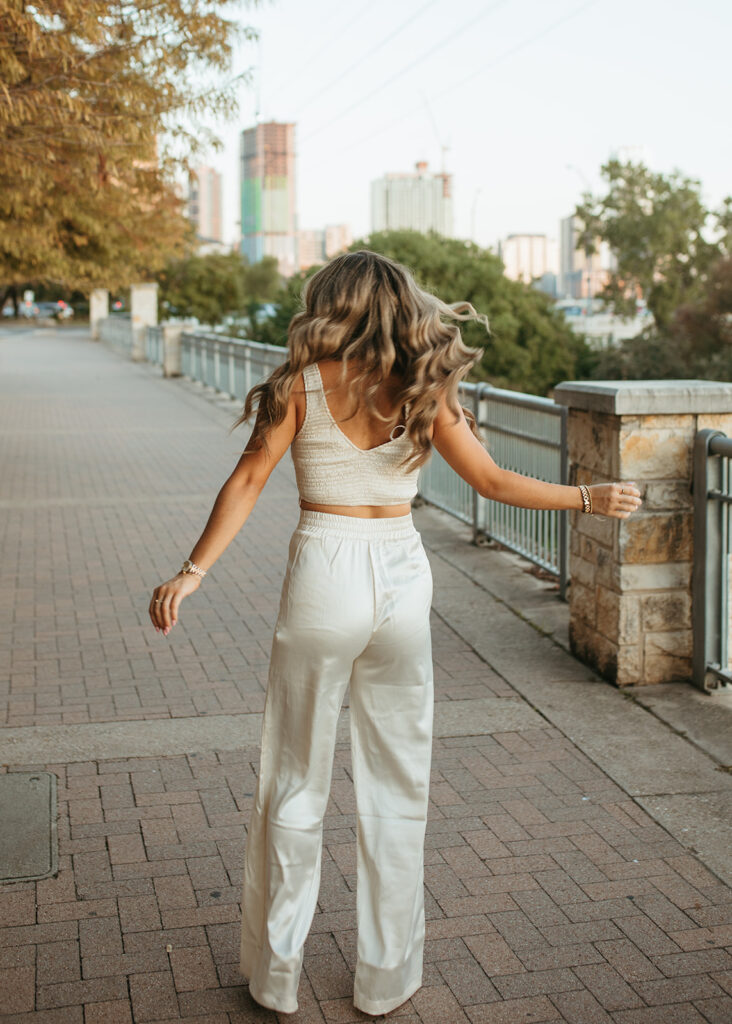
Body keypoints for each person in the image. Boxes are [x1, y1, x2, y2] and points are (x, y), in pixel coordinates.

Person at [148, 250, 642, 1017]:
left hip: (325, 569)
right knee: (398, 783)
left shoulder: (300, 385)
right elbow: (492, 483)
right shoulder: (425, 388)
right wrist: (589, 494)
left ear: (330, 305)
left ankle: (277, 977)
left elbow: (247, 480)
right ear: (403, 306)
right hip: (403, 578)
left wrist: (192, 570)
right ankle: (385, 981)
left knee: (295, 777)